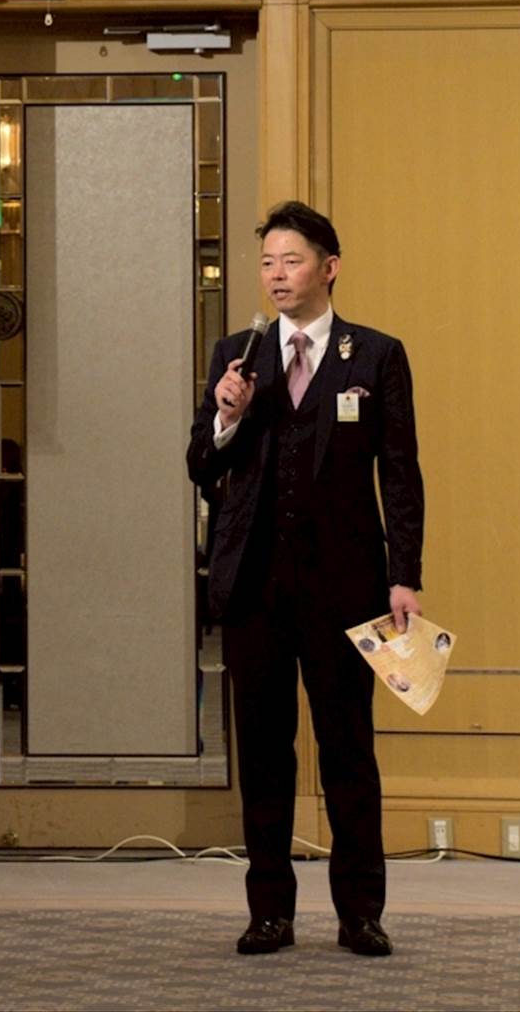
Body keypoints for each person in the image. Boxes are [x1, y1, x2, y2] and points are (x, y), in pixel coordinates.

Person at [187, 201, 424, 958]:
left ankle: (360, 912)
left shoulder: (376, 355)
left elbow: (401, 473)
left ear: (330, 267)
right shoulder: (239, 352)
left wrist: (404, 575)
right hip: (255, 587)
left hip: (345, 586)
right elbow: (200, 463)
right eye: (267, 263)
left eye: (291, 261)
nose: (277, 275)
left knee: (348, 750)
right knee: (264, 754)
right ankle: (270, 912)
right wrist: (225, 416)